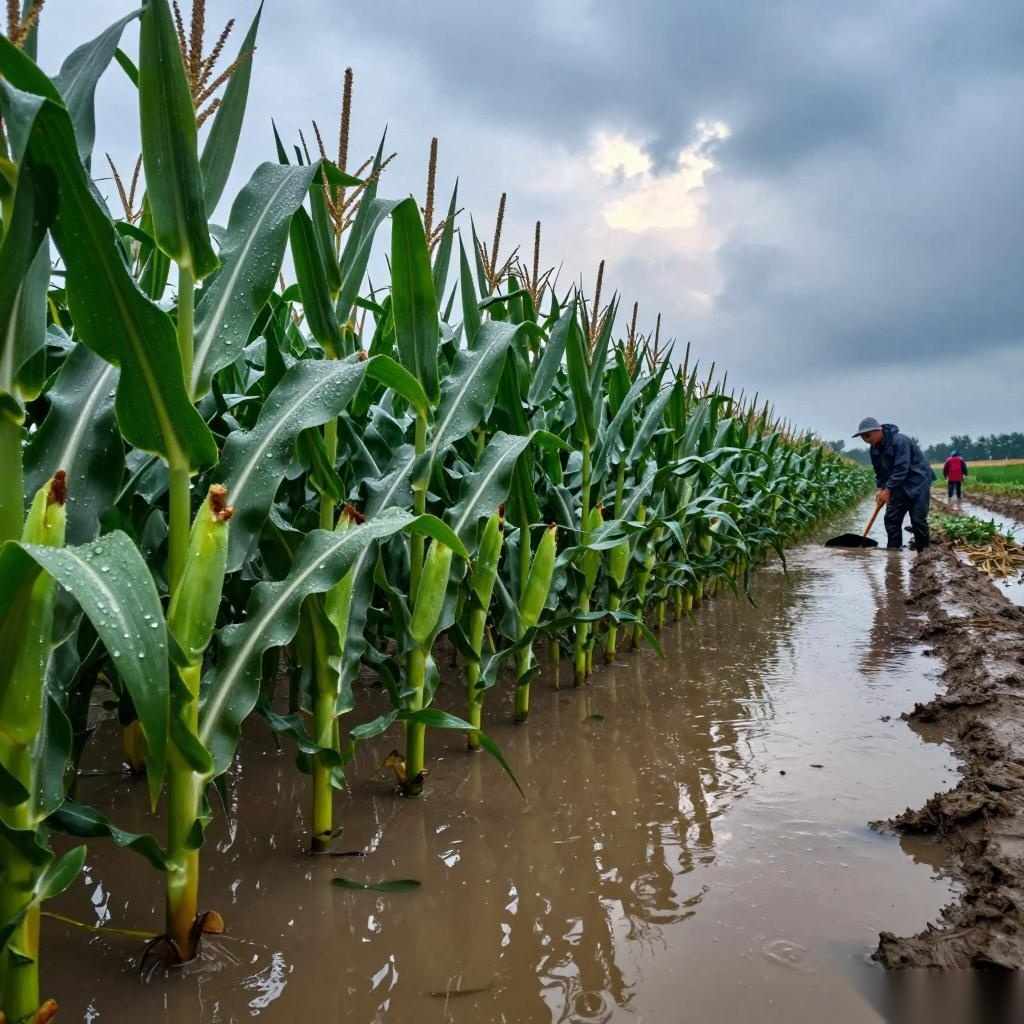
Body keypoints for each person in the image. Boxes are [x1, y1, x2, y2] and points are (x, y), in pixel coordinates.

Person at [853, 417, 935, 551]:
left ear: (878, 431)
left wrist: (888, 489)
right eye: (863, 437)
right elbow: (879, 471)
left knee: (917, 520)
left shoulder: (899, 441)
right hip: (898, 486)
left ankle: (924, 552)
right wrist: (880, 489)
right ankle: (893, 552)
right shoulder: (874, 449)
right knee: (891, 519)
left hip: (917, 483)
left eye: (867, 435)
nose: (866, 440)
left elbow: (901, 468)